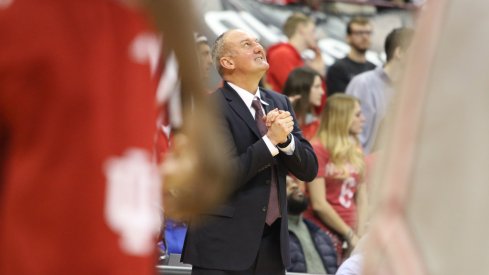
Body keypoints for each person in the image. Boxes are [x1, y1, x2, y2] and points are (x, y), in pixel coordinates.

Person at [181, 29, 318, 274]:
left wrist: (286, 142)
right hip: (221, 248)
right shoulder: (210, 107)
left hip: (271, 248)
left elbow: (309, 169)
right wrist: (270, 141)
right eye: (247, 44)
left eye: (257, 42)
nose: (258, 47)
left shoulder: (280, 102)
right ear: (227, 62)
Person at [303, 94, 368, 264]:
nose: (363, 119)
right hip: (323, 234)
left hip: (351, 236)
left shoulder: (355, 149)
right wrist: (349, 234)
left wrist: (359, 237)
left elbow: (362, 196)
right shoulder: (317, 149)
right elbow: (319, 203)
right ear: (342, 117)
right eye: (357, 115)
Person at [346, 27, 414, 154]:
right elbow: (348, 133)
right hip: (361, 167)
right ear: (399, 53)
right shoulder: (363, 84)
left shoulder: (413, 89)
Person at [286, 176, 338, 274]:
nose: (294, 186)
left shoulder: (321, 235)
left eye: (294, 182)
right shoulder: (271, 236)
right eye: (285, 185)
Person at [266, 12, 326, 93]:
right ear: (301, 29)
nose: (316, 37)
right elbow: (300, 94)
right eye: (313, 31)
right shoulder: (283, 54)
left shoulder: (294, 57)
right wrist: (316, 73)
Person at [326, 17, 376, 95]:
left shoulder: (374, 69)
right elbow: (338, 103)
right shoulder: (337, 69)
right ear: (348, 38)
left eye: (368, 33)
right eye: (359, 33)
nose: (365, 37)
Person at [283, 67, 325, 140]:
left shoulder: (315, 123)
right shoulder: (281, 116)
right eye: (317, 86)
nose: (322, 92)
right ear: (303, 89)